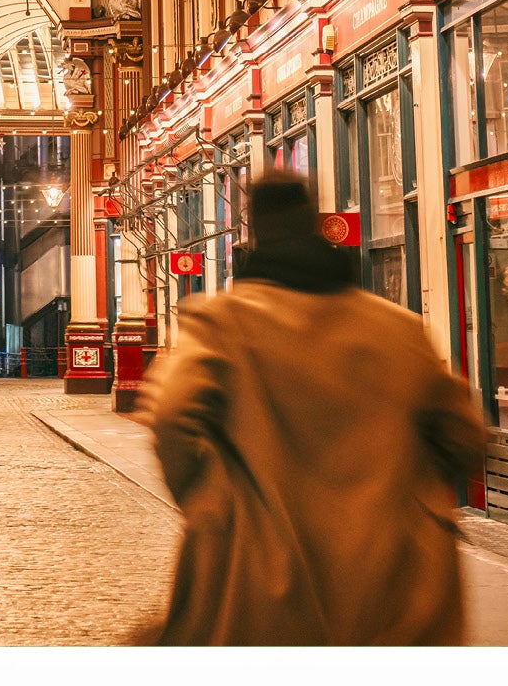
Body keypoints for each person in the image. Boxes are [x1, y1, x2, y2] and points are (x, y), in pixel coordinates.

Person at [140, 170, 489, 644]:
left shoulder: (223, 325)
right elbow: (466, 436)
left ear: (255, 230)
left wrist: (208, 501)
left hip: (262, 576)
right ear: (314, 224)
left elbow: (171, 417)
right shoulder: (399, 330)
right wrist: (415, 492)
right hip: (392, 581)